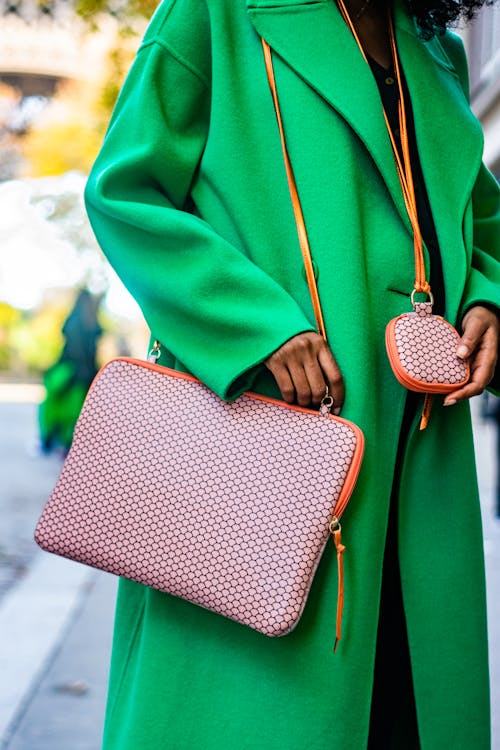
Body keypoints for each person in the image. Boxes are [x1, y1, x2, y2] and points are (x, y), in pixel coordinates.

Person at [84, 0, 500, 745]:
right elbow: (125, 190)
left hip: (420, 462)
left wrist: (489, 303)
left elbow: (483, 221)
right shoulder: (215, 13)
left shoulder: (436, 47)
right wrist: (253, 326)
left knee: (406, 709)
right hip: (268, 443)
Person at [38, 289, 102, 455]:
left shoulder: (72, 321)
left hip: (69, 373)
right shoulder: (93, 324)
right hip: (85, 376)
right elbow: (92, 354)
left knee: (54, 408)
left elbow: (68, 349)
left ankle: (49, 442)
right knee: (75, 413)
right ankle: (69, 445)